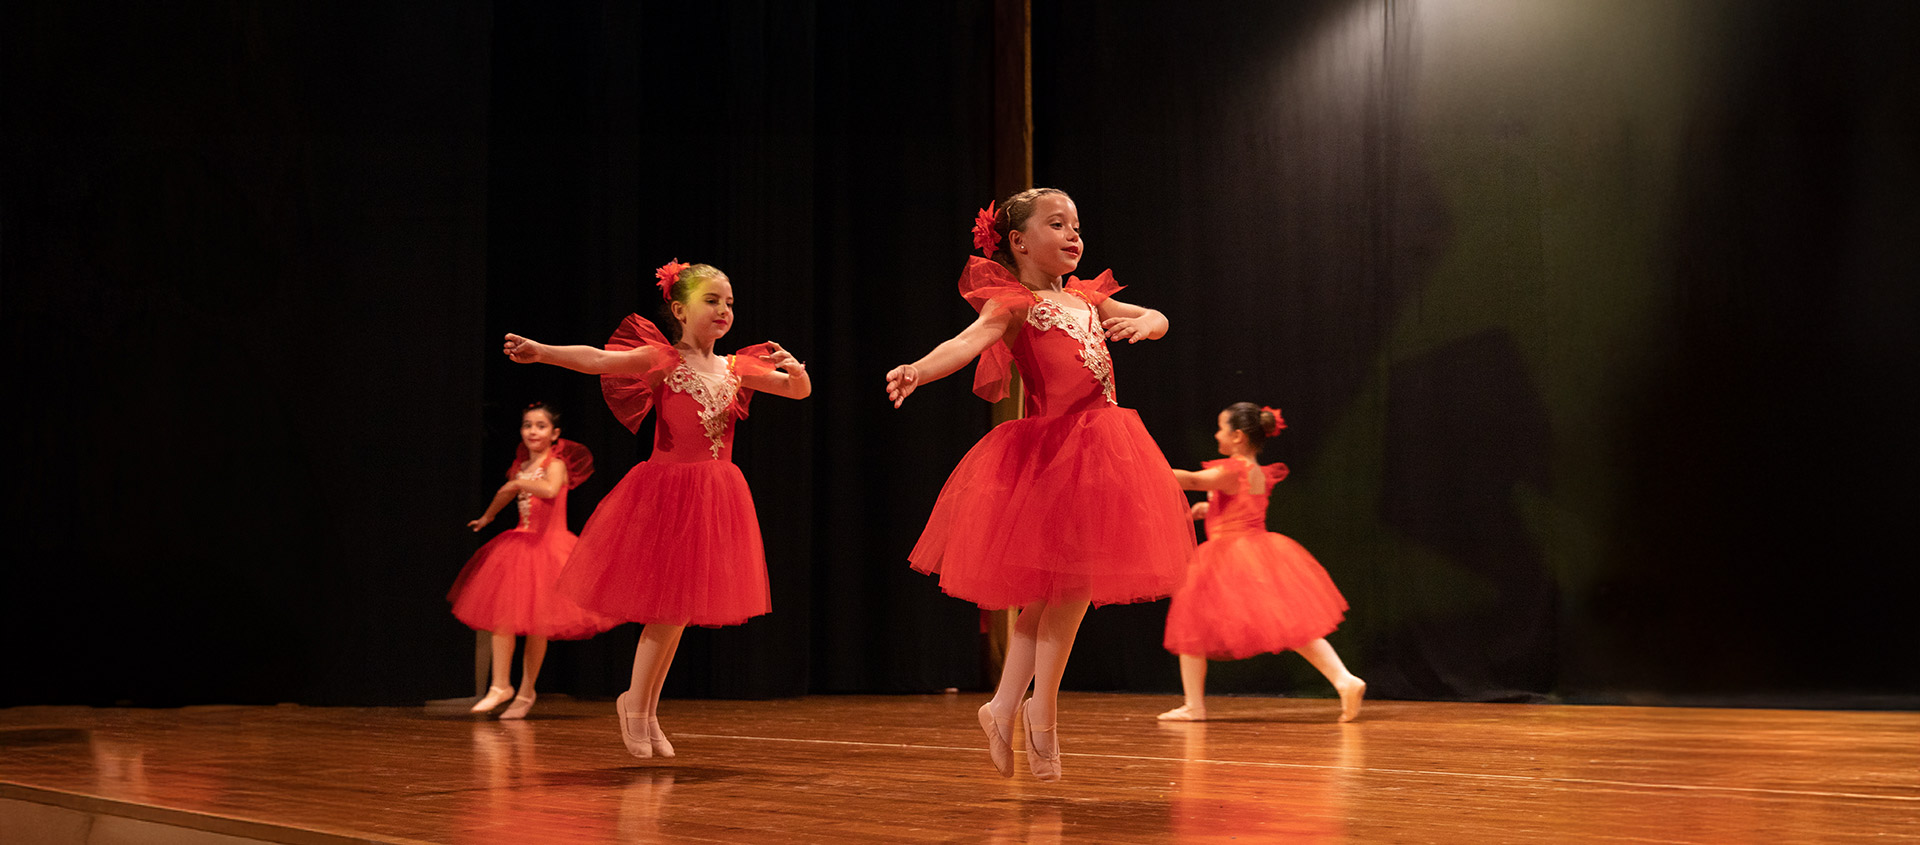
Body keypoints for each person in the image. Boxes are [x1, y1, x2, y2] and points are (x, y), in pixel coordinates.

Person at [885, 189, 1193, 781]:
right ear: (1020, 242)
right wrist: (918, 371)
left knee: (1065, 590)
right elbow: (966, 343)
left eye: (1077, 224)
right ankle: (1035, 715)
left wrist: (1148, 325)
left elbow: (1154, 316)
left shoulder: (1085, 297)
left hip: (1104, 451)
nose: (1074, 235)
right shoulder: (1015, 304)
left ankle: (1010, 708)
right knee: (1057, 590)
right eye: (1058, 224)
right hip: (1054, 454)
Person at [502, 260, 809, 758]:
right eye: (711, 300)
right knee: (666, 610)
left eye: (729, 302)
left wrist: (796, 372)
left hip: (717, 495)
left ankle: (642, 706)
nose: (723, 310)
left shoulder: (734, 367)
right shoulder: (663, 359)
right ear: (679, 309)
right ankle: (636, 708)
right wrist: (542, 353)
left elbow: (797, 391)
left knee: (680, 612)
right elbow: (597, 361)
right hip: (668, 493)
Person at [1160, 402, 1365, 723]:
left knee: (1192, 625)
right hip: (1258, 551)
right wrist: (1207, 510)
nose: (1216, 434)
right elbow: (1238, 506)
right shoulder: (1256, 472)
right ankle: (1344, 678)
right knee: (1290, 626)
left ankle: (1194, 705)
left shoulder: (1232, 470)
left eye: (1221, 427)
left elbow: (1194, 481)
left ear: (1238, 436)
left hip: (1231, 556)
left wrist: (1145, 470)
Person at [448, 402, 613, 720]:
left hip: (550, 548)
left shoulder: (556, 464)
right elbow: (505, 492)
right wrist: (487, 516)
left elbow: (550, 490)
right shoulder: (520, 467)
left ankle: (526, 691)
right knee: (502, 619)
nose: (532, 431)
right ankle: (500, 685)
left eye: (540, 426)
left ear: (555, 434)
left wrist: (518, 483)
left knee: (538, 626)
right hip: (520, 545)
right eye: (527, 425)